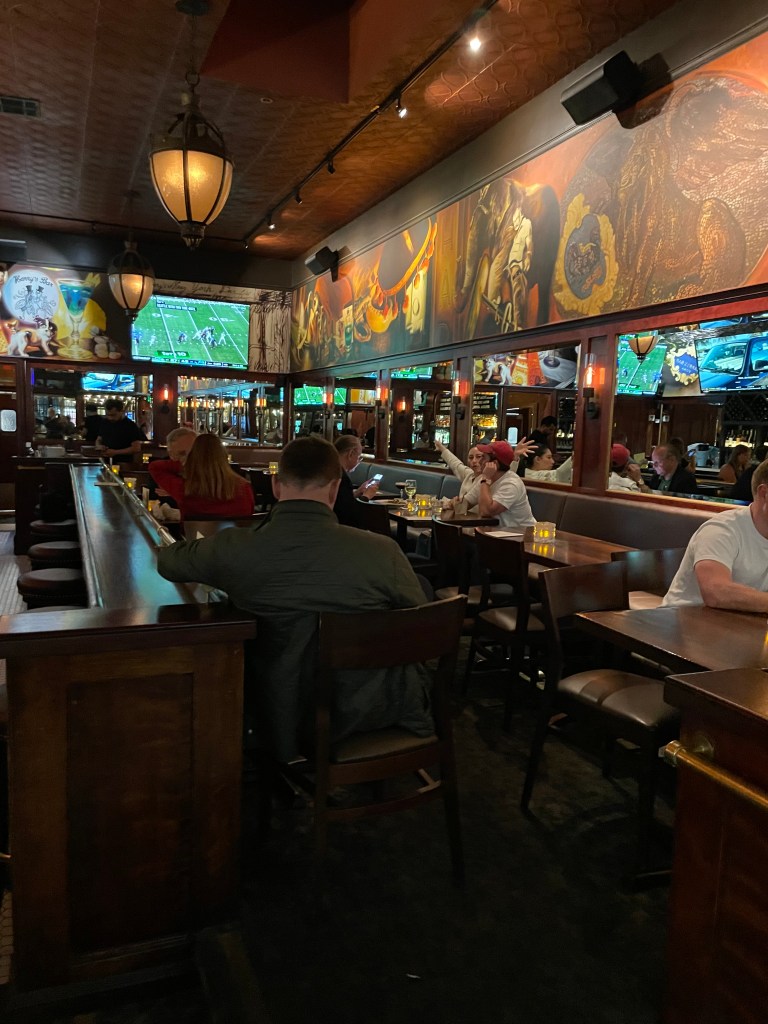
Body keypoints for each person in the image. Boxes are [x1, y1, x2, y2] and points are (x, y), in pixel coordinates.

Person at [157, 436, 432, 762]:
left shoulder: (234, 548)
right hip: (366, 712)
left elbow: (168, 561)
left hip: (267, 713)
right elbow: (423, 626)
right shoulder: (381, 550)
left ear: (275, 485)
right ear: (334, 489)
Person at [662, 459, 768, 611]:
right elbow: (716, 592)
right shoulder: (722, 529)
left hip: (735, 626)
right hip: (679, 623)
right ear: (764, 493)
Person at [149, 433, 254, 520]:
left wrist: (188, 464)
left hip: (195, 543)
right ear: (224, 456)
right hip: (235, 543)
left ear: (193, 458)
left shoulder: (185, 489)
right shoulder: (244, 487)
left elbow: (155, 467)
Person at [463, 440, 536, 530]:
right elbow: (466, 502)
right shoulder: (485, 479)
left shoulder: (511, 483)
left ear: (494, 464)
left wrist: (485, 480)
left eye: (483, 457)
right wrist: (452, 504)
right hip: (496, 534)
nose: (479, 461)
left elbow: (486, 511)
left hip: (521, 535)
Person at [333, 435, 380, 528]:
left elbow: (340, 502)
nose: (359, 461)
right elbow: (350, 515)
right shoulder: (341, 478)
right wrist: (366, 496)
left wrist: (358, 492)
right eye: (358, 457)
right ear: (350, 454)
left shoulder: (331, 470)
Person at [96, 398, 146, 463]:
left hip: (124, 463)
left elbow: (136, 448)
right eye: (108, 415)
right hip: (105, 461)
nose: (110, 418)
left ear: (121, 411)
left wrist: (115, 452)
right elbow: (99, 439)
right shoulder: (104, 422)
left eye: (113, 415)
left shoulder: (130, 425)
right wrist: (99, 446)